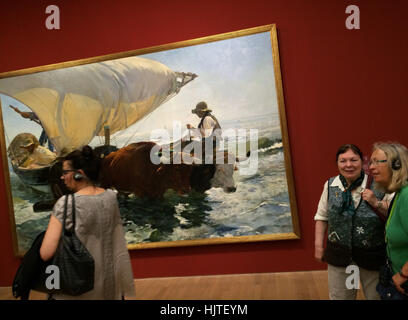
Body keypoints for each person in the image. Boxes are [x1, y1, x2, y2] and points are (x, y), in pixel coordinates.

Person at [39, 145, 135, 300]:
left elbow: (46, 253)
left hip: (78, 287)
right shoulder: (110, 197)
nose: (62, 177)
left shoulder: (65, 204)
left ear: (79, 174)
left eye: (65, 172)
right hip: (107, 286)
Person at [314, 144, 393, 300]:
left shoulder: (379, 183)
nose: (348, 165)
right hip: (340, 255)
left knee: (376, 296)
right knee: (342, 296)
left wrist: (375, 202)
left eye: (353, 160)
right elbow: (322, 217)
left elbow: (393, 215)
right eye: (343, 161)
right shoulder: (330, 185)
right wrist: (318, 246)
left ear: (362, 162)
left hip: (371, 256)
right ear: (337, 164)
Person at [369, 142, 408, 300]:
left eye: (377, 161)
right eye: (370, 162)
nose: (371, 167)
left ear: (397, 165)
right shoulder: (399, 193)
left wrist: (404, 274)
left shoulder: (406, 195)